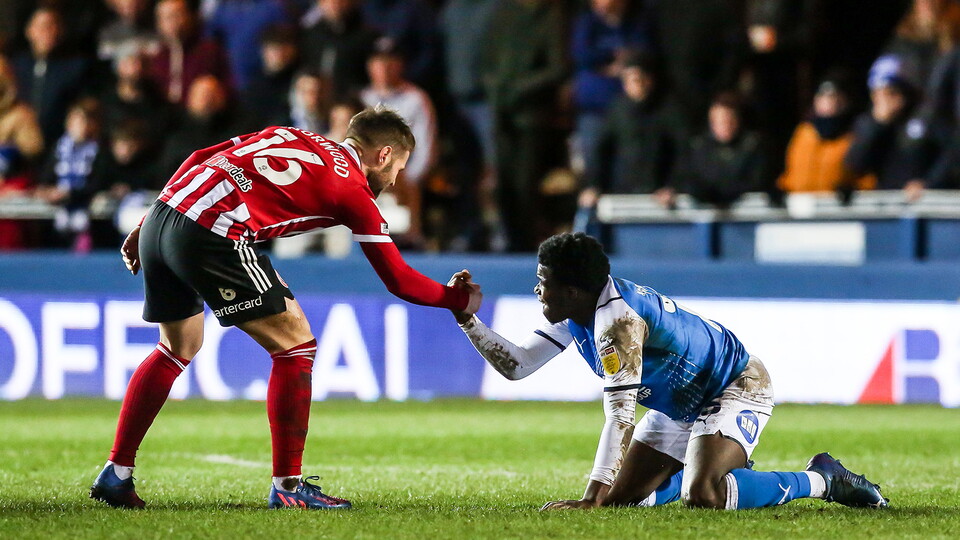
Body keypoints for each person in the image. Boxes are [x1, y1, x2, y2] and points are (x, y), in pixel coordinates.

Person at [89, 106, 482, 510]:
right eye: (398, 166)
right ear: (383, 155)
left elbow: (199, 158)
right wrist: (458, 299)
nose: (396, 177)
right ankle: (288, 488)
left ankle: (116, 475)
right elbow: (399, 279)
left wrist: (150, 221)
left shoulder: (293, 134)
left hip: (164, 213)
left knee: (177, 346)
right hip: (214, 231)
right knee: (296, 345)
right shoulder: (353, 191)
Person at [448, 232, 888, 511]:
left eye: (542, 281)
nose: (536, 289)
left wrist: (589, 499)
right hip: (677, 405)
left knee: (704, 495)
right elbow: (519, 366)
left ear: (570, 289)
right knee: (619, 503)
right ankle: (710, 455)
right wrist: (467, 319)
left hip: (734, 385)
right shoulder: (577, 308)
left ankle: (823, 479)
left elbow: (620, 417)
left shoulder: (616, 322)